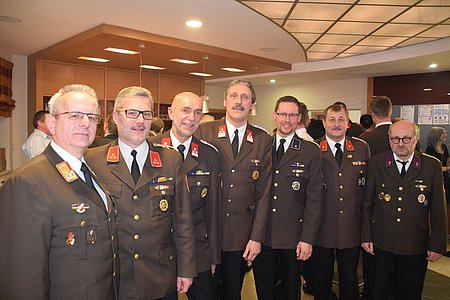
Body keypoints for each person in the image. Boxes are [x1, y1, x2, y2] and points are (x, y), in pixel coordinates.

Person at [0, 84, 119, 299]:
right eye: (75, 115)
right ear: (52, 123)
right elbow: (21, 277)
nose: (85, 123)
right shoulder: (28, 181)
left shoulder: (90, 169)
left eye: (92, 117)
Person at [86, 86, 197, 299]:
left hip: (159, 275)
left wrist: (186, 269)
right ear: (116, 117)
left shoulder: (170, 160)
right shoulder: (93, 160)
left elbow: (183, 220)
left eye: (146, 114)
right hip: (114, 277)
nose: (140, 121)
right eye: (132, 113)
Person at [195, 79, 272, 300]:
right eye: (234, 96)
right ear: (225, 101)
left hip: (240, 235)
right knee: (204, 293)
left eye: (245, 97)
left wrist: (256, 237)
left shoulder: (261, 139)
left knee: (232, 293)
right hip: (206, 232)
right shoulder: (204, 131)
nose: (239, 102)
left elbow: (264, 193)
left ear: (252, 105)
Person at [361, 120, 447, 300]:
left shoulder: (431, 166)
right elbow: (367, 204)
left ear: (415, 139)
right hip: (381, 243)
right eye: (395, 139)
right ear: (389, 139)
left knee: (410, 293)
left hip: (414, 245)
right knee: (380, 292)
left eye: (406, 139)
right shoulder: (376, 164)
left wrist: (436, 244)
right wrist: (366, 236)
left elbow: (438, 209)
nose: (400, 143)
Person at [149, 92, 222, 300]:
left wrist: (214, 256)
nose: (191, 118)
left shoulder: (209, 155)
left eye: (197, 112)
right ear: (171, 113)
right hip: (159, 252)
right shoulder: (150, 148)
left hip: (198, 250)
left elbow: (213, 210)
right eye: (186, 110)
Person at [252, 96, 323, 300]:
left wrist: (307, 238)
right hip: (263, 235)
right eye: (283, 114)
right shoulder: (261, 146)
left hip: (293, 237)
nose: (287, 119)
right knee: (264, 291)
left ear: (299, 117)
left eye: (292, 115)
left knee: (291, 292)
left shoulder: (310, 151)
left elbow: (315, 200)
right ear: (274, 115)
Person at [312, 103, 370, 300]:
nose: (336, 124)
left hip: (351, 227)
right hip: (321, 227)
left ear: (348, 123)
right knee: (321, 280)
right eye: (332, 119)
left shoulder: (361, 148)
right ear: (324, 122)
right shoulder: (312, 148)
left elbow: (367, 190)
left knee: (349, 279)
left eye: (341, 119)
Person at [358, 95, 393, 299]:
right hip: (400, 212)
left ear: (372, 114)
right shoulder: (403, 134)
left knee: (372, 262)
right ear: (390, 110)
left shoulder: (365, 140)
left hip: (373, 210)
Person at [426, 127, 450, 204]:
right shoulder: (430, 150)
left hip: (445, 176)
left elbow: (447, 161)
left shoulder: (444, 147)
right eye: (443, 133)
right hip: (436, 177)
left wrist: (447, 168)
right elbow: (433, 167)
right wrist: (446, 168)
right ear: (436, 135)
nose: (445, 135)